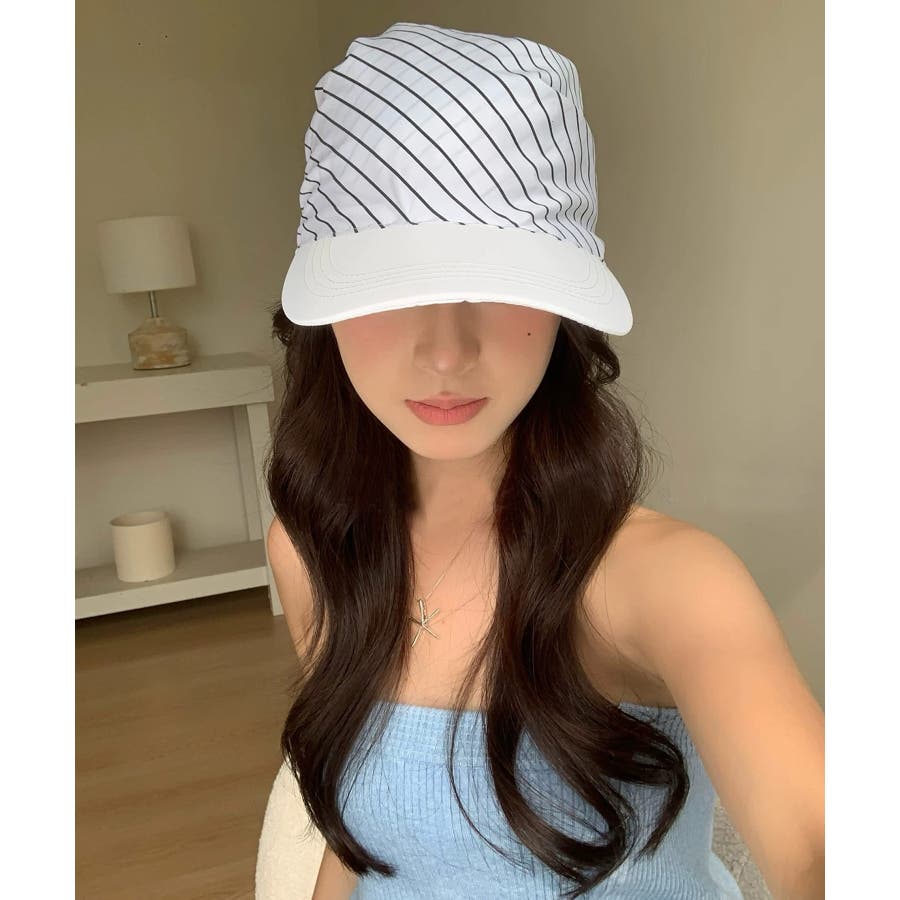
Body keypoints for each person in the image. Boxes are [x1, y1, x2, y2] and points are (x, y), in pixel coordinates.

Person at [263, 21, 824, 900]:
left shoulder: (663, 581)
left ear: (563, 304)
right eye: (391, 287)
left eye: (499, 284)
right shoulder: (311, 550)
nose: (446, 351)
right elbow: (363, 841)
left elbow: (818, 847)